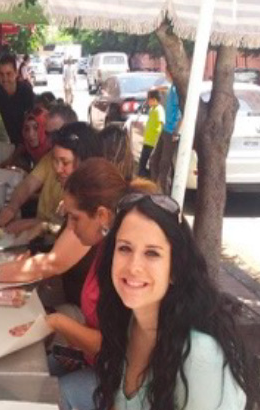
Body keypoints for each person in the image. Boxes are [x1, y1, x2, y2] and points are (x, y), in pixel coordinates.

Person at [94, 193, 255, 409]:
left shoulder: (199, 354)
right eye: (124, 248)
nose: (133, 267)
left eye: (152, 253)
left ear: (175, 269)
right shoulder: (128, 321)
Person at [0, 123, 134, 310]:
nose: (58, 168)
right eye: (55, 161)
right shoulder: (83, 199)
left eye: (65, 162)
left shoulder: (91, 203)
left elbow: (53, 263)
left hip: (74, 306)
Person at [45, 158, 158, 410]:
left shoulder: (124, 264)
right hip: (101, 362)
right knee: (39, 371)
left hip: (129, 375)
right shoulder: (104, 249)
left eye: (75, 218)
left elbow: (114, 345)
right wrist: (78, 348)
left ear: (102, 216)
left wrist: (57, 322)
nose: (70, 228)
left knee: (58, 396)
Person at [0, 103, 77, 231]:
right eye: (47, 133)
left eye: (56, 134)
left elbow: (63, 226)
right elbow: (28, 185)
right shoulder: (49, 157)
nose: (50, 139)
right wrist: (11, 208)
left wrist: (32, 223)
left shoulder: (80, 169)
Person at [149, 71, 181, 193]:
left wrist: (176, 131)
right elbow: (166, 87)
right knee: (154, 160)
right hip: (165, 130)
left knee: (165, 165)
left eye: (167, 72)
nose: (166, 75)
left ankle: (164, 193)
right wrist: (156, 88)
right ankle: (154, 189)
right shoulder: (172, 87)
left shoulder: (177, 90)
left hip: (171, 131)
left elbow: (182, 113)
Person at [138, 89, 166, 178]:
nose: (147, 101)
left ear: (154, 99)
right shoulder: (151, 110)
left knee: (150, 163)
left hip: (153, 142)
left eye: (148, 99)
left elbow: (161, 124)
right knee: (142, 162)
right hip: (147, 141)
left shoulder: (159, 110)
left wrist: (158, 140)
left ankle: (149, 178)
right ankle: (143, 177)